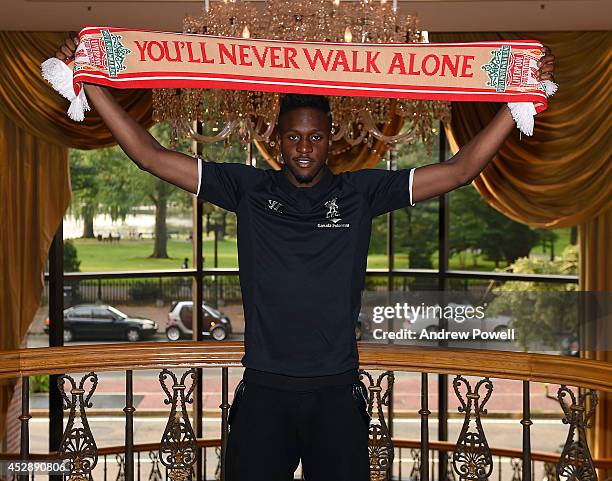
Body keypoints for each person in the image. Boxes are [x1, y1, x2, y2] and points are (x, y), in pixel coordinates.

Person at [55, 34, 555, 481]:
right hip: (265, 394)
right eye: (293, 136)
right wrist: (92, 86)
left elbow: (459, 170)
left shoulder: (361, 193)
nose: (303, 147)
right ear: (276, 140)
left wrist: (517, 104)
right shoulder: (246, 188)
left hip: (336, 396)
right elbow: (151, 156)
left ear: (330, 140)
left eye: (315, 137)